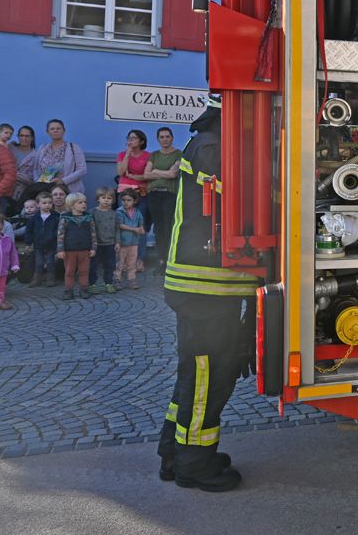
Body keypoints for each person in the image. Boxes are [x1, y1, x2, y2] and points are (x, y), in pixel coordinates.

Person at [156, 96, 260, 492]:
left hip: (203, 286)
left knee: (194, 374)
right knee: (208, 377)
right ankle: (195, 464)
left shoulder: (206, 142)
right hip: (204, 286)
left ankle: (175, 453)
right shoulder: (213, 148)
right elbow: (244, 195)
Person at [144, 126, 182, 272]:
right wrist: (163, 173)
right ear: (158, 139)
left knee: (168, 227)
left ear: (172, 138)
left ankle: (169, 260)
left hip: (169, 194)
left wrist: (156, 171)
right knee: (158, 228)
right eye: (162, 137)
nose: (165, 139)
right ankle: (161, 260)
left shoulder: (178, 154)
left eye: (167, 136)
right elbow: (146, 175)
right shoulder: (154, 155)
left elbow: (173, 174)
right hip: (154, 194)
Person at [116, 129, 152, 270]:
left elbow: (147, 176)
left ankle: (139, 259)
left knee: (140, 226)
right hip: (124, 193)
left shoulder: (148, 156)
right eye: (129, 138)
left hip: (141, 194)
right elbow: (120, 172)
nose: (130, 140)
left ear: (141, 141)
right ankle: (124, 260)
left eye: (134, 138)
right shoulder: (122, 154)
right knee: (124, 225)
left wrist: (132, 176)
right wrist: (127, 154)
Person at [56, 192, 96, 300]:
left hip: (85, 250)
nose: (84, 204)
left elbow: (93, 234)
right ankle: (68, 290)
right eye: (80, 202)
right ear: (72, 205)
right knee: (69, 272)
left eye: (85, 202)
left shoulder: (88, 218)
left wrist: (93, 248)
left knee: (84, 271)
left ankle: (84, 289)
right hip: (69, 250)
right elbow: (60, 235)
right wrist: (60, 250)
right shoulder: (65, 218)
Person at [32, 119, 87, 195]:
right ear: (47, 132)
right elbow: (35, 168)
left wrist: (63, 181)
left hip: (68, 190)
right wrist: (38, 182)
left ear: (64, 131)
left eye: (58, 128)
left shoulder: (74, 148)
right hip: (45, 191)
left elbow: (82, 170)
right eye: (52, 129)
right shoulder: (42, 148)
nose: (55, 130)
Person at [26, 192, 60, 287]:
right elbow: (29, 231)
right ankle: (37, 279)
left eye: (49, 203)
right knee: (39, 263)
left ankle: (50, 279)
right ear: (38, 204)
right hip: (38, 245)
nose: (47, 205)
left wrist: (54, 238)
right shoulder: (34, 218)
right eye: (44, 203)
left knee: (50, 262)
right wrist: (28, 243)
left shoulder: (56, 216)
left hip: (52, 245)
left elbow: (59, 230)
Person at [115, 189, 145, 290]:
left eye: (129, 200)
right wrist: (134, 229)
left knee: (132, 263)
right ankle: (117, 280)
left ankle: (131, 280)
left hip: (134, 242)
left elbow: (141, 223)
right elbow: (120, 225)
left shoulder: (137, 212)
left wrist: (141, 229)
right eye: (123, 200)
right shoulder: (119, 212)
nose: (126, 202)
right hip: (123, 242)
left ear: (134, 201)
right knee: (120, 263)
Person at [90, 188, 118, 294]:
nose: (106, 200)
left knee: (110, 265)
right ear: (98, 199)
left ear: (113, 200)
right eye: (103, 197)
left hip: (110, 244)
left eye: (109, 198)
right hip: (95, 244)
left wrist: (118, 242)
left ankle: (109, 283)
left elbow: (117, 228)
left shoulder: (114, 214)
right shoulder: (92, 212)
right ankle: (91, 284)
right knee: (93, 265)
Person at [10, 125, 38, 204]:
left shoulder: (36, 155)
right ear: (18, 136)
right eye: (21, 136)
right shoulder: (10, 148)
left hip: (23, 193)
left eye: (27, 136)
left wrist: (13, 174)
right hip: (6, 188)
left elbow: (33, 178)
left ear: (32, 138)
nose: (24, 138)